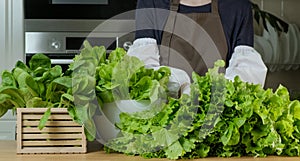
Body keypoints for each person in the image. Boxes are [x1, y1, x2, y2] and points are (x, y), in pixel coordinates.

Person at [127, 0, 267, 96]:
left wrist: (209, 100)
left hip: (217, 122)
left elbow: (246, 74)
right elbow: (144, 72)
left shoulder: (237, 7)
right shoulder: (151, 3)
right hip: (165, 126)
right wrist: (183, 92)